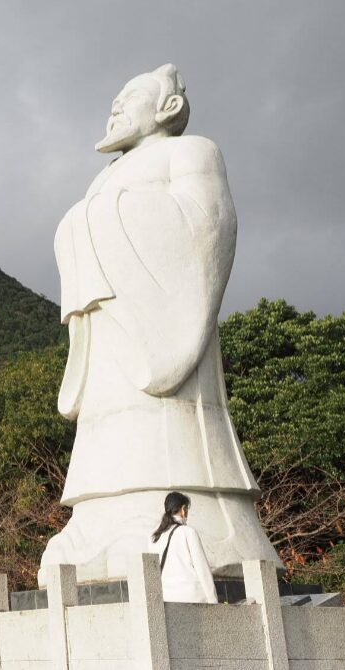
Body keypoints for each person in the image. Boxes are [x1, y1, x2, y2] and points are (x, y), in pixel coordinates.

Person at [39, 63, 281, 585]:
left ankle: (183, 511)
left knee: (168, 424)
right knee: (110, 413)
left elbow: (208, 225)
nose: (116, 108)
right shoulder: (104, 178)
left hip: (159, 320)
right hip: (112, 318)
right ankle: (98, 516)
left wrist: (101, 219)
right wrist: (85, 224)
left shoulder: (192, 151)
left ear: (167, 108)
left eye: (128, 98)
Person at [147, 492, 217, 603]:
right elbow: (202, 569)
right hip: (193, 598)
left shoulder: (154, 538)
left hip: (167, 599)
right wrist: (213, 600)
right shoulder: (188, 532)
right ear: (183, 509)